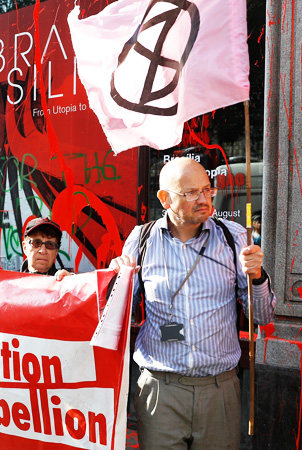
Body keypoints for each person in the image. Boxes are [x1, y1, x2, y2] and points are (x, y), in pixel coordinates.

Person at [108, 157, 276, 449]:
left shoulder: (234, 238)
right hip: (160, 392)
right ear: (165, 198)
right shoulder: (142, 239)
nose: (204, 199)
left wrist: (257, 277)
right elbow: (117, 314)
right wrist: (115, 280)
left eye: (207, 190)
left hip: (219, 392)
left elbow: (261, 315)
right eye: (191, 193)